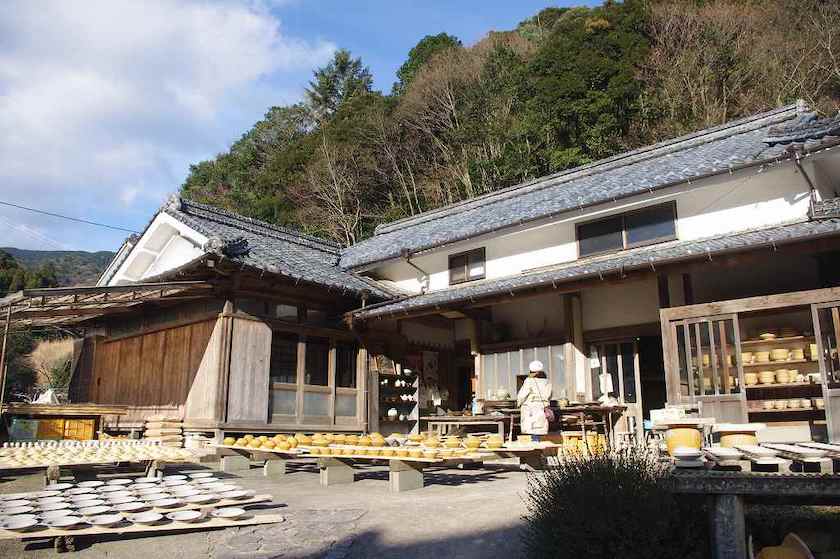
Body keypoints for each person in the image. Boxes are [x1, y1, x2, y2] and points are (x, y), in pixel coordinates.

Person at [517, 360, 552, 440]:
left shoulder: (529, 381)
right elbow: (549, 395)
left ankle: (534, 449)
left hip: (531, 408)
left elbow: (522, 395)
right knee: (539, 430)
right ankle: (539, 447)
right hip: (542, 408)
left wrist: (518, 404)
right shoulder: (547, 382)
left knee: (531, 431)